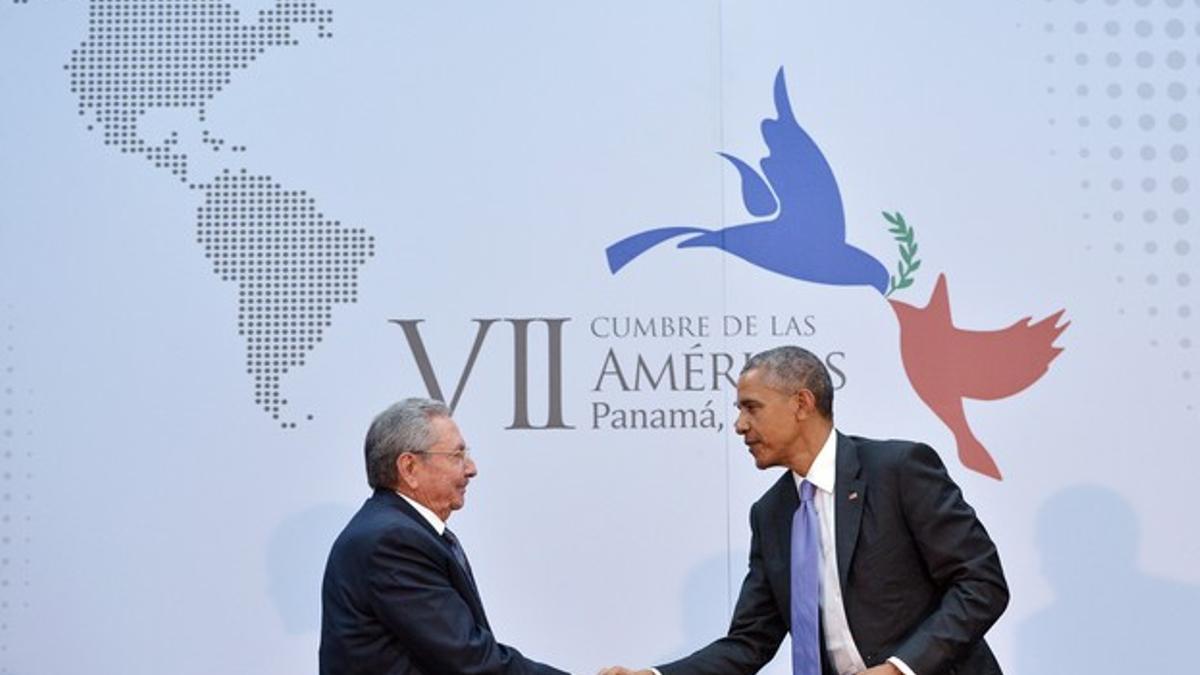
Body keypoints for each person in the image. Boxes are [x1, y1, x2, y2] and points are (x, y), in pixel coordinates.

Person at [599, 346, 1009, 675]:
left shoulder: (898, 470)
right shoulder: (771, 514)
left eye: (751, 407)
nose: (739, 425)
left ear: (801, 403)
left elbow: (981, 584)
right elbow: (749, 642)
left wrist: (899, 669)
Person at [319, 397, 568, 675]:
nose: (471, 468)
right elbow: (467, 658)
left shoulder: (403, 531)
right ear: (409, 468)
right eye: (457, 455)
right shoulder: (392, 541)